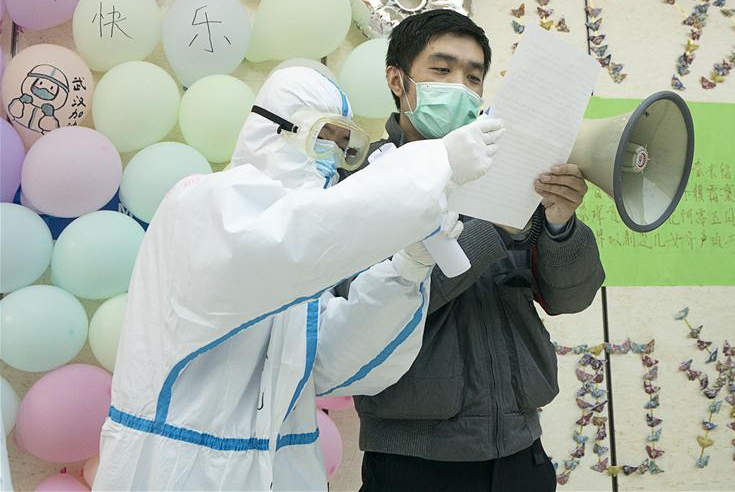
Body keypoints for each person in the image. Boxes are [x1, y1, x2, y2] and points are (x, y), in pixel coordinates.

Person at [92, 66, 505, 490]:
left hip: (283, 471)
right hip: (177, 473)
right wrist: (438, 162)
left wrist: (405, 271)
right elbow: (297, 238)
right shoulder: (203, 205)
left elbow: (332, 362)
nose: (334, 155)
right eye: (326, 136)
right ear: (277, 128)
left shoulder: (298, 258)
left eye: (346, 145)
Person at [338, 10, 605, 492]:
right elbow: (368, 306)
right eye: (442, 70)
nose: (461, 87)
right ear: (397, 80)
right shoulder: (363, 184)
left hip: (522, 452)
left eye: (474, 76)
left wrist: (561, 223)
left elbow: (572, 297)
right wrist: (494, 226)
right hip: (415, 464)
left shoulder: (503, 173)